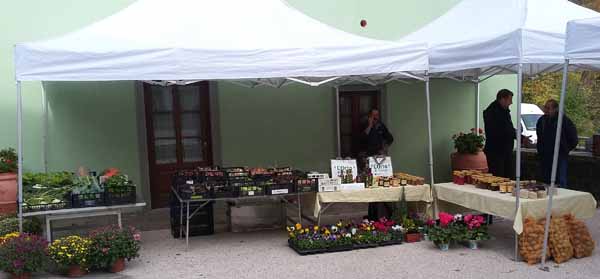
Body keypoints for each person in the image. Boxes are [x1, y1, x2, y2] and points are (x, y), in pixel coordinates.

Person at [536, 99, 578, 187]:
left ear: (555, 109)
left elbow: (573, 138)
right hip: (545, 156)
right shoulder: (541, 121)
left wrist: (564, 149)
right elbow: (540, 138)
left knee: (560, 180)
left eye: (548, 108)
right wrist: (541, 150)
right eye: (545, 107)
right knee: (546, 181)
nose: (545, 110)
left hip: (560, 156)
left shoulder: (564, 121)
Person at [361, 109, 394, 220]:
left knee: (381, 183)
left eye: (377, 115)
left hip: (379, 158)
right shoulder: (365, 125)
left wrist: (384, 149)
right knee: (371, 185)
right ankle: (372, 213)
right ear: (369, 116)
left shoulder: (381, 126)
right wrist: (370, 125)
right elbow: (362, 138)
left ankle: (384, 212)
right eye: (373, 115)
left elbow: (390, 138)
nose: (376, 117)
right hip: (368, 157)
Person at [483, 89, 517, 178]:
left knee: (507, 177)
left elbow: (507, 128)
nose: (511, 103)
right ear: (502, 99)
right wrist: (517, 134)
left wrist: (518, 135)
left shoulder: (503, 111)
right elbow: (503, 130)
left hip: (504, 150)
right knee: (499, 178)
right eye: (510, 100)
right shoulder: (493, 112)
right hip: (497, 151)